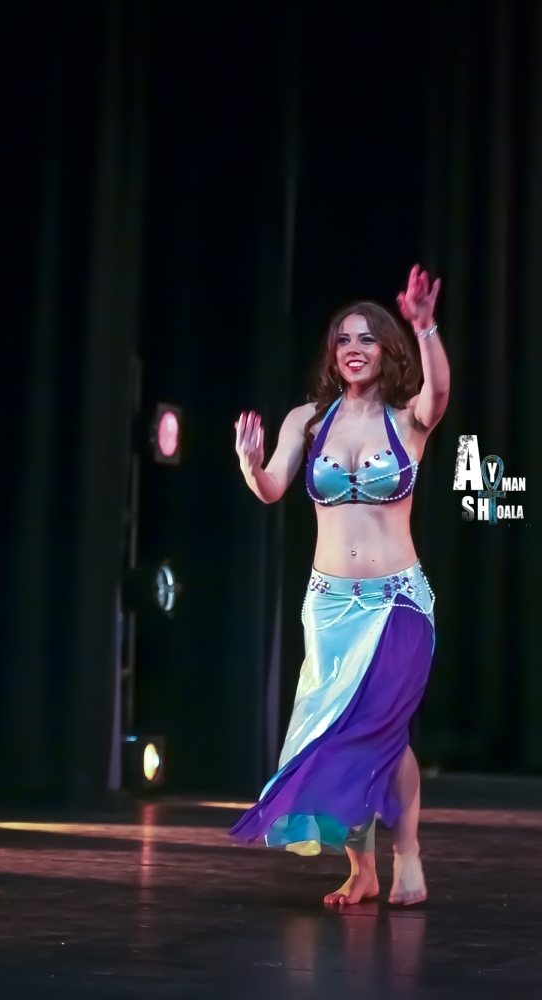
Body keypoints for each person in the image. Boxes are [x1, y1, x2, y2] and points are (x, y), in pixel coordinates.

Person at [230, 265, 448, 907]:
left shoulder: (408, 420)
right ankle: (362, 869)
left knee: (384, 729)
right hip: (328, 610)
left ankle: (408, 856)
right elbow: (272, 488)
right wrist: (249, 465)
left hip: (397, 603)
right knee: (336, 735)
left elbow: (439, 390)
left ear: (387, 350)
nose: (354, 348)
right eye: (343, 339)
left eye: (367, 339)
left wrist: (425, 326)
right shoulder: (307, 420)